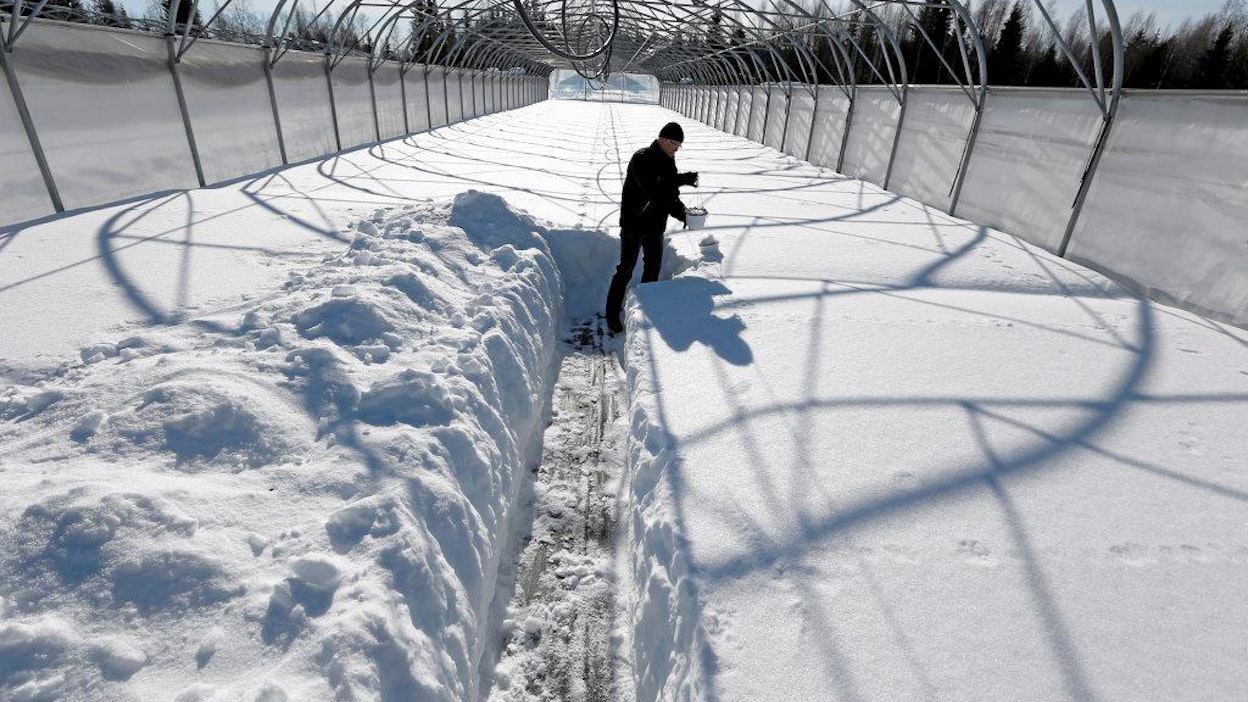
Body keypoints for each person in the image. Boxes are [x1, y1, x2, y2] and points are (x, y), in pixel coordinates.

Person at [604, 122, 699, 334]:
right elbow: (652, 189)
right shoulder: (642, 158)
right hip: (634, 224)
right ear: (663, 139)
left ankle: (645, 310)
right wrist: (681, 179)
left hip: (655, 226)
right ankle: (611, 315)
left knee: (653, 268)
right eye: (674, 144)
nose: (676, 149)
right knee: (625, 270)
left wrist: (684, 214)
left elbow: (670, 197)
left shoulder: (669, 162)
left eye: (679, 146)